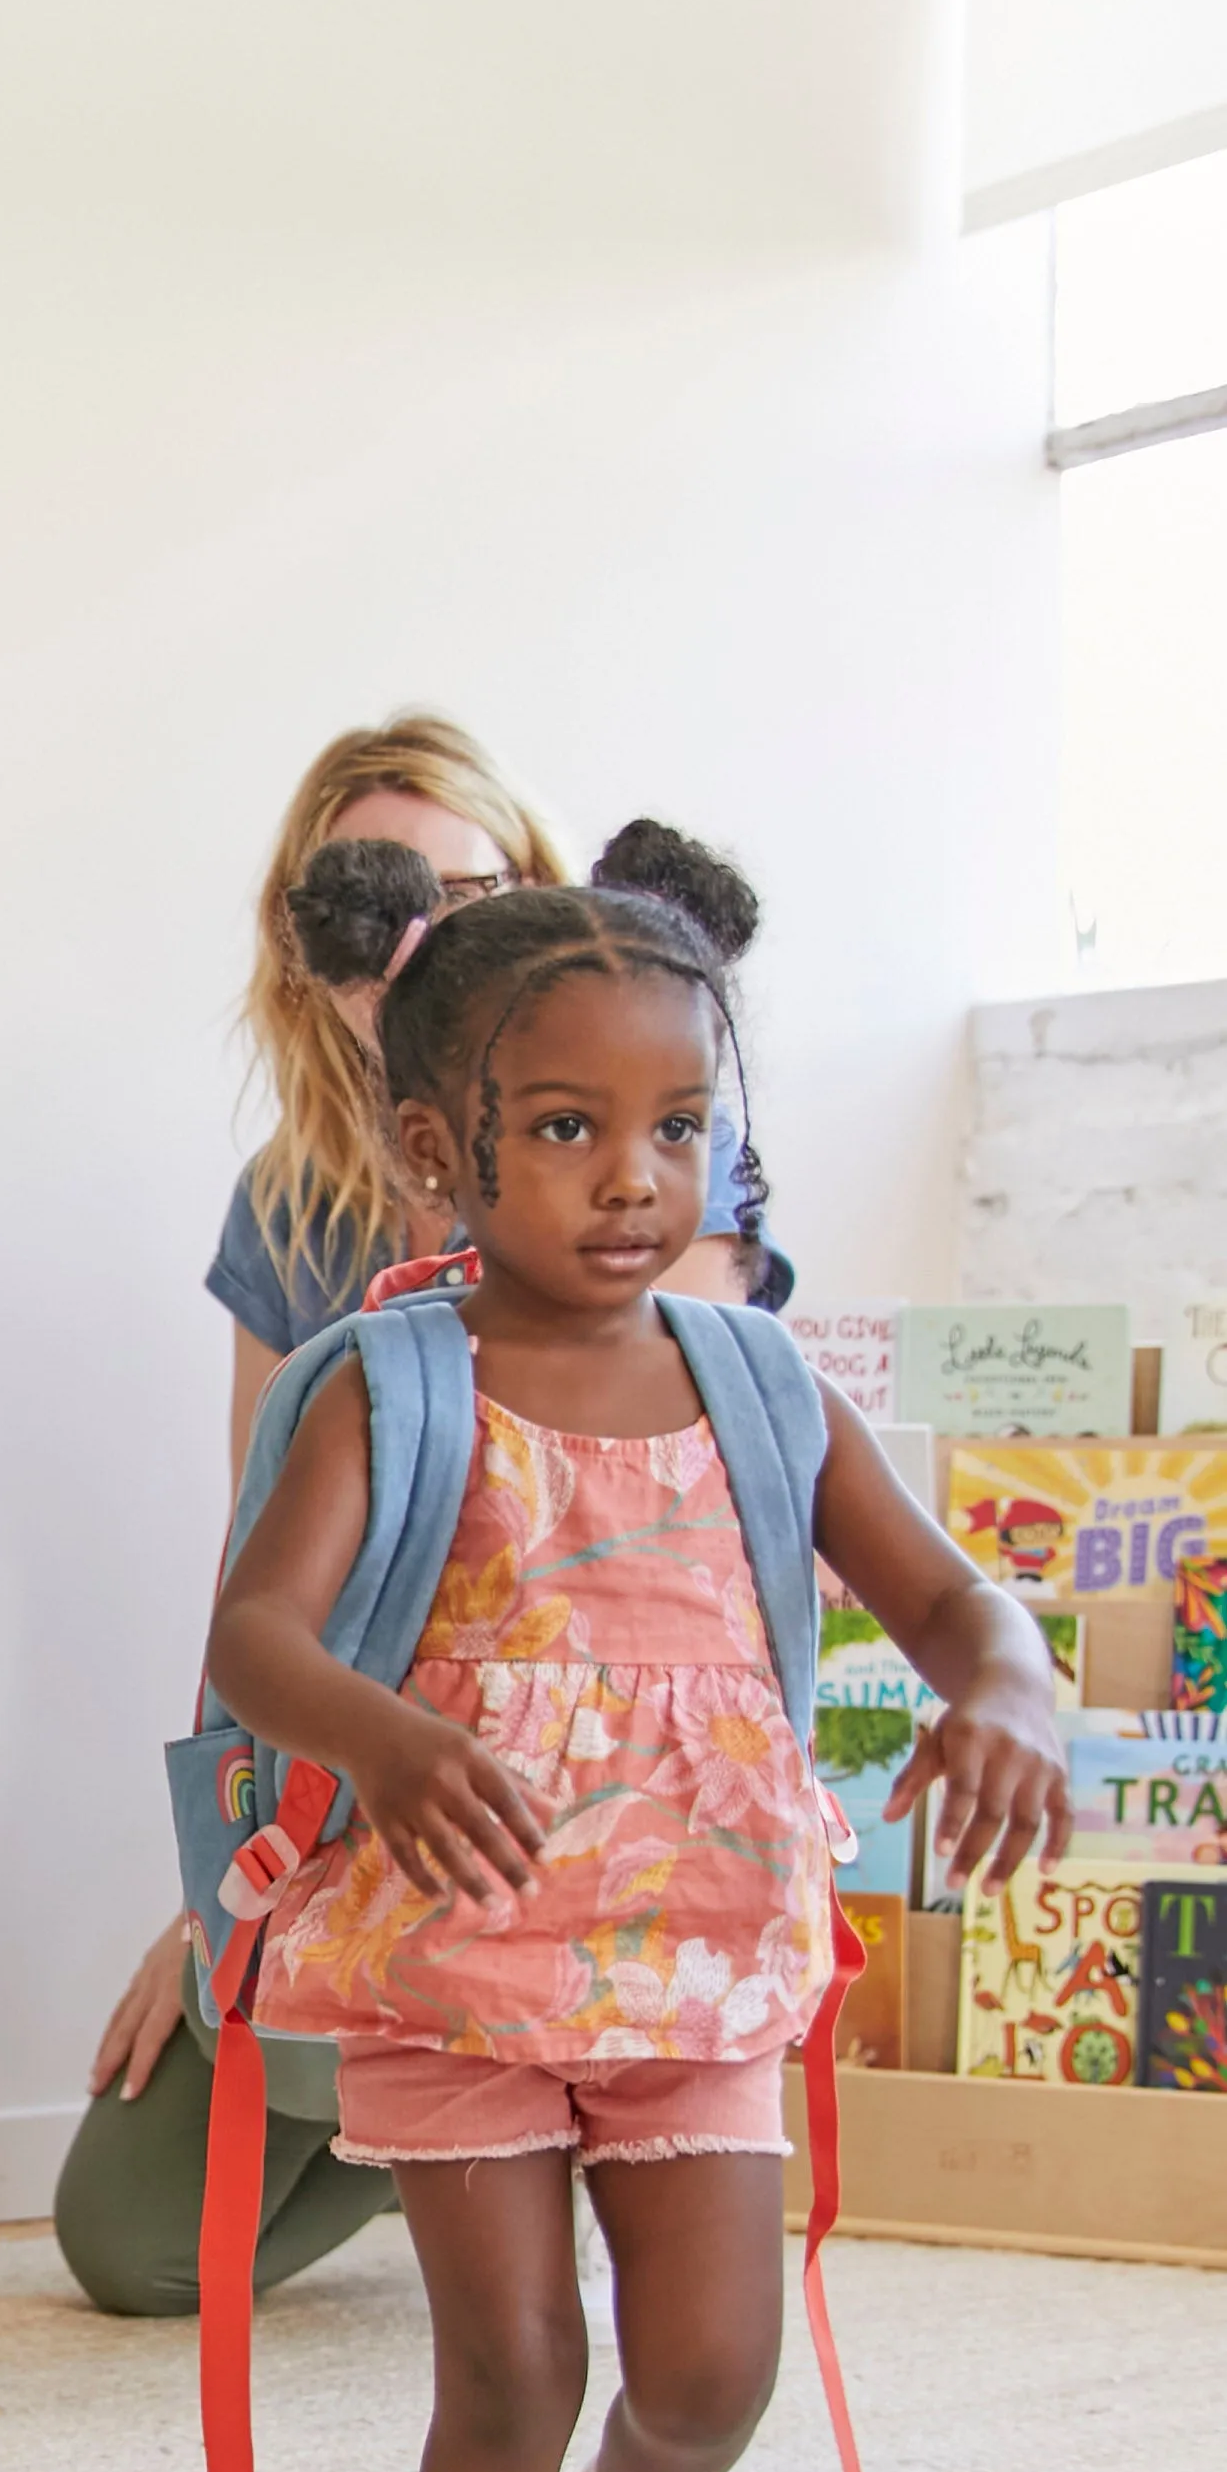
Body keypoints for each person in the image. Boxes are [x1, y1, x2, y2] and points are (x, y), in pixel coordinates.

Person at [203, 818, 1066, 2472]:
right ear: (435, 1145)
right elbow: (255, 1635)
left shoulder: (760, 1383)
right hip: (459, 1948)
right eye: (567, 1124)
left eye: (676, 1125)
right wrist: (386, 1735)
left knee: (704, 2373)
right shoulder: (386, 1384)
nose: (629, 1176)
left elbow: (959, 1607)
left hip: (692, 1953)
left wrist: (1014, 1691)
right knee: (502, 2360)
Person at [56, 716, 786, 2320]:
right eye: (378, 906)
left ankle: (543, 2155)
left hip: (621, 1776)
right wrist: (214, 1906)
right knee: (129, 2239)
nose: (432, 937)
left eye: (469, 892)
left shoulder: (658, 1160)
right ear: (317, 955)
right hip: (376, 1779)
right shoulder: (293, 1198)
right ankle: (461, 2159)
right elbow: (262, 1585)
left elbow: (706, 1464)